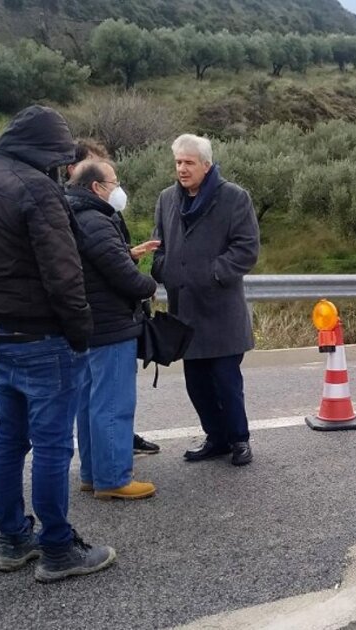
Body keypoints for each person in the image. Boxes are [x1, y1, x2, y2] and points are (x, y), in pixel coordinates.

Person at [0, 105, 114, 583]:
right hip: (44, 334)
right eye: (60, 159)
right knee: (51, 446)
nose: (62, 169)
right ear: (46, 151)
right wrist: (80, 330)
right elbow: (63, 271)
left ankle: (13, 539)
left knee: (9, 439)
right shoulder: (36, 188)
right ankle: (58, 548)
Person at [152, 134, 259, 466]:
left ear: (206, 165)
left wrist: (212, 273)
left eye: (189, 162)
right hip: (185, 312)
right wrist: (163, 270)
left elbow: (246, 249)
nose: (182, 169)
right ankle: (216, 438)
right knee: (196, 384)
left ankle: (239, 439)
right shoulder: (166, 199)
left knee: (226, 382)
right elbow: (159, 245)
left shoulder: (234, 197)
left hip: (221, 310)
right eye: (178, 162)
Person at [66, 159, 159, 500]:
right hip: (110, 325)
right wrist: (149, 285)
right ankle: (113, 478)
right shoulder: (96, 220)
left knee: (90, 403)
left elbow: (100, 264)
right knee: (113, 404)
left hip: (87, 325)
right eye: (114, 182)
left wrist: (127, 255)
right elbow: (123, 277)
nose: (118, 189)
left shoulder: (72, 215)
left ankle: (93, 473)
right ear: (96, 187)